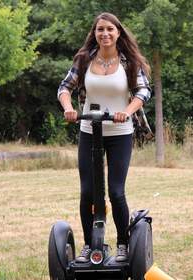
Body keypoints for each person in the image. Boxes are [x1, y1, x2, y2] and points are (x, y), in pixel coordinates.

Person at [57, 12, 151, 263]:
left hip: (119, 133)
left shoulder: (129, 62)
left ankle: (123, 244)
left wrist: (127, 112)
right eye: (100, 30)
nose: (105, 34)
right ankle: (89, 245)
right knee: (87, 192)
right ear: (95, 33)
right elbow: (64, 87)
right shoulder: (85, 59)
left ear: (118, 32)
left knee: (116, 192)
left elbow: (143, 91)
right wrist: (68, 107)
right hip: (89, 131)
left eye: (110, 29)